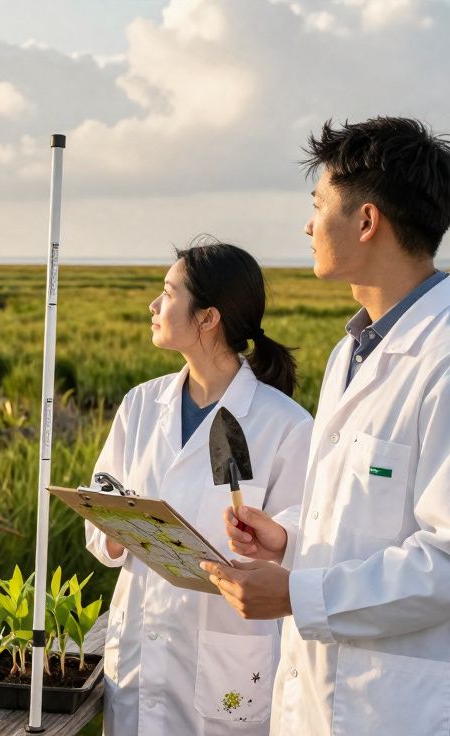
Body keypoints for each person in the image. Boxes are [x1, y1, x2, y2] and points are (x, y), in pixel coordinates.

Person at [203, 117, 450, 735]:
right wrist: (289, 539)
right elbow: (361, 512)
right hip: (326, 696)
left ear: (366, 221)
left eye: (317, 206)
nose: (308, 226)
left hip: (410, 705)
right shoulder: (353, 352)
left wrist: (296, 596)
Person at [86, 237, 312, 735]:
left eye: (167, 292)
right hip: (141, 647)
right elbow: (102, 502)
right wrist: (113, 529)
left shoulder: (285, 424)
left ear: (208, 318)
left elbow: (308, 529)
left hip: (227, 648)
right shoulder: (141, 405)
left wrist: (271, 534)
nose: (153, 305)